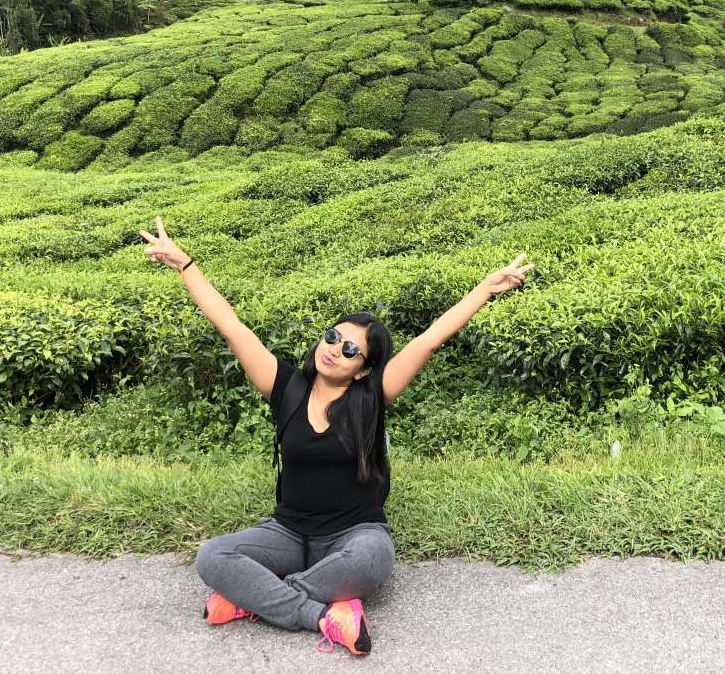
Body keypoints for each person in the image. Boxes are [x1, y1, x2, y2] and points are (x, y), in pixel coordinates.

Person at [138, 216, 533, 655]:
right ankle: (324, 615)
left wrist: (485, 288)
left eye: (350, 349)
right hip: (287, 533)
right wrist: (184, 265)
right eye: (332, 336)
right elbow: (233, 328)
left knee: (373, 560)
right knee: (213, 556)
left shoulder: (373, 395)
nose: (333, 348)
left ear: (363, 368)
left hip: (353, 534)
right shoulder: (284, 386)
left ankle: (255, 597)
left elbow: (427, 341)